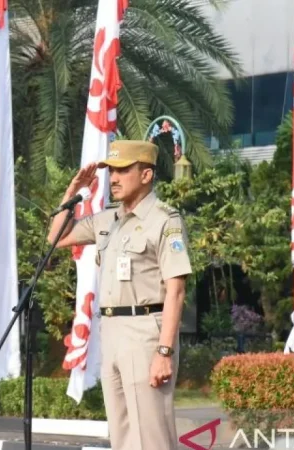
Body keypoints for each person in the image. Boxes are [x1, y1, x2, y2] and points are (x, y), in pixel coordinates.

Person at [49, 140, 192, 450]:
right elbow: (55, 237)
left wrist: (164, 352)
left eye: (123, 170)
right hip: (111, 331)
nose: (113, 178)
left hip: (145, 333)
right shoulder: (107, 220)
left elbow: (176, 291)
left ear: (146, 175)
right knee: (122, 435)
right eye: (111, 170)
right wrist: (72, 192)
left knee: (151, 436)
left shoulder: (165, 220)